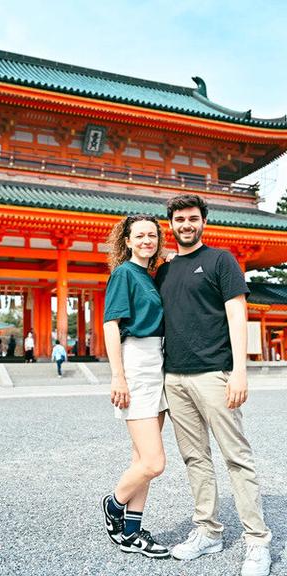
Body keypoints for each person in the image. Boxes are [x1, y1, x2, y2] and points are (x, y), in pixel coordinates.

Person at [155, 194, 271, 576]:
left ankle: (257, 541)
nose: (185, 225)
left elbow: (237, 315)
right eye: (179, 219)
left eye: (192, 218)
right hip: (175, 375)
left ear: (203, 221)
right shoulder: (164, 270)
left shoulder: (221, 260)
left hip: (214, 374)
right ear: (169, 224)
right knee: (195, 458)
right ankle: (209, 530)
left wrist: (240, 371)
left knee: (236, 457)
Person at [100, 214, 169, 559]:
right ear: (126, 241)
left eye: (152, 235)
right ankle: (113, 505)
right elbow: (111, 324)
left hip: (159, 363)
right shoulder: (124, 273)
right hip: (136, 364)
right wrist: (118, 375)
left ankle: (131, 531)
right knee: (155, 462)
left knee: (141, 457)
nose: (146, 241)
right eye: (139, 235)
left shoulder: (150, 276)